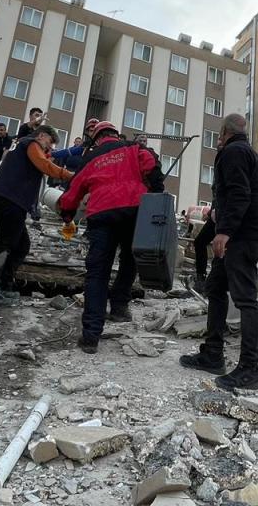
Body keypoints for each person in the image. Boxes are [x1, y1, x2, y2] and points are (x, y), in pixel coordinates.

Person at [180, 114, 258, 391]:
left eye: (219, 135)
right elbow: (257, 198)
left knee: (246, 300)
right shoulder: (249, 154)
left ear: (224, 132)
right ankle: (213, 354)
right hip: (243, 234)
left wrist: (225, 231)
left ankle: (250, 370)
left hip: (242, 237)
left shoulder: (234, 152)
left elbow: (240, 194)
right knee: (216, 287)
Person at [57, 121, 165, 354]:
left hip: (102, 214)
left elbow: (73, 189)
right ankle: (119, 307)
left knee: (97, 273)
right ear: (116, 134)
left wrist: (67, 214)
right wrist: (156, 194)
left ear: (97, 138)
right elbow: (153, 166)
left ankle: (91, 337)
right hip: (135, 210)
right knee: (130, 260)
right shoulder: (134, 147)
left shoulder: (91, 157)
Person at [0, 125, 73, 305]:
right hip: (10, 201)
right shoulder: (31, 144)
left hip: (8, 200)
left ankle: (4, 285)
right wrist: (70, 176)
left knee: (21, 245)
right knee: (4, 245)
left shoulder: (21, 146)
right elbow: (45, 166)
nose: (50, 147)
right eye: (50, 142)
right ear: (41, 135)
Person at [190, 210, 215, 295]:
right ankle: (201, 279)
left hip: (226, 216)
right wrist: (210, 213)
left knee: (224, 247)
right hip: (216, 215)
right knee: (199, 242)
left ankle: (214, 282)